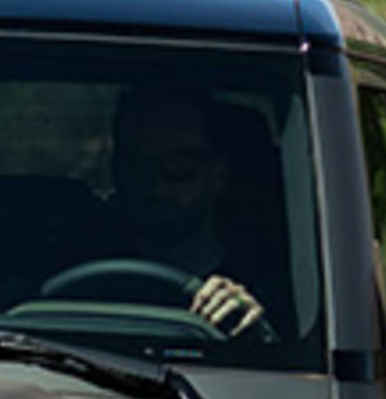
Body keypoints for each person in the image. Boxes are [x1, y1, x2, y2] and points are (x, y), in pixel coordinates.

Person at [104, 88, 267, 336]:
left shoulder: (275, 291)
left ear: (219, 175)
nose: (157, 186)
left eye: (180, 167)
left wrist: (253, 328)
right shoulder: (79, 279)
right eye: (138, 167)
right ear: (117, 171)